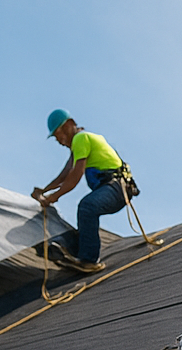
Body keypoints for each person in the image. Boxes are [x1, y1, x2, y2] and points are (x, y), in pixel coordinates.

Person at [31, 110, 130, 273]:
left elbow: (75, 175)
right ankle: (73, 250)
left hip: (116, 188)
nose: (59, 141)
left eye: (58, 134)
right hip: (115, 188)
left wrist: (52, 197)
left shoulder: (80, 138)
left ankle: (89, 260)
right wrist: (44, 190)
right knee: (87, 213)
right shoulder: (81, 143)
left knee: (87, 207)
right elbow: (66, 173)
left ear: (69, 125)